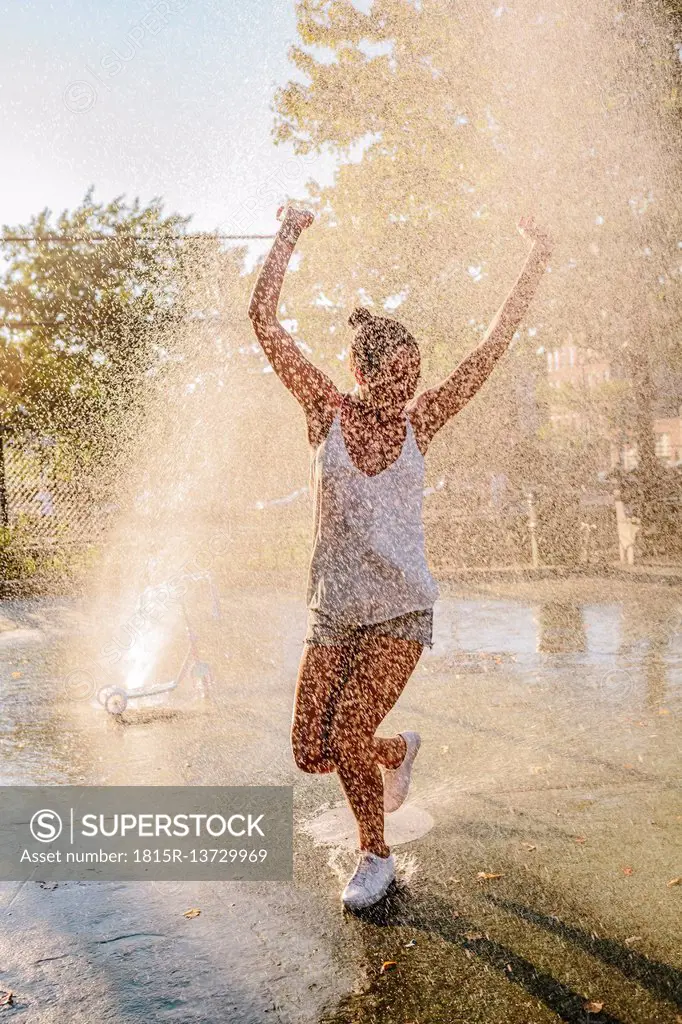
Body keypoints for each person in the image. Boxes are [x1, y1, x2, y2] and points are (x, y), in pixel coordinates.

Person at [248, 205, 553, 909]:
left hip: (401, 610)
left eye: (414, 376)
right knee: (312, 750)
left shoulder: (425, 420)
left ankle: (375, 858)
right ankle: (397, 752)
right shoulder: (324, 411)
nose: (405, 390)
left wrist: (536, 258)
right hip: (334, 612)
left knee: (348, 728)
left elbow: (492, 346)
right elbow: (263, 322)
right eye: (392, 377)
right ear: (358, 370)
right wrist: (288, 235)